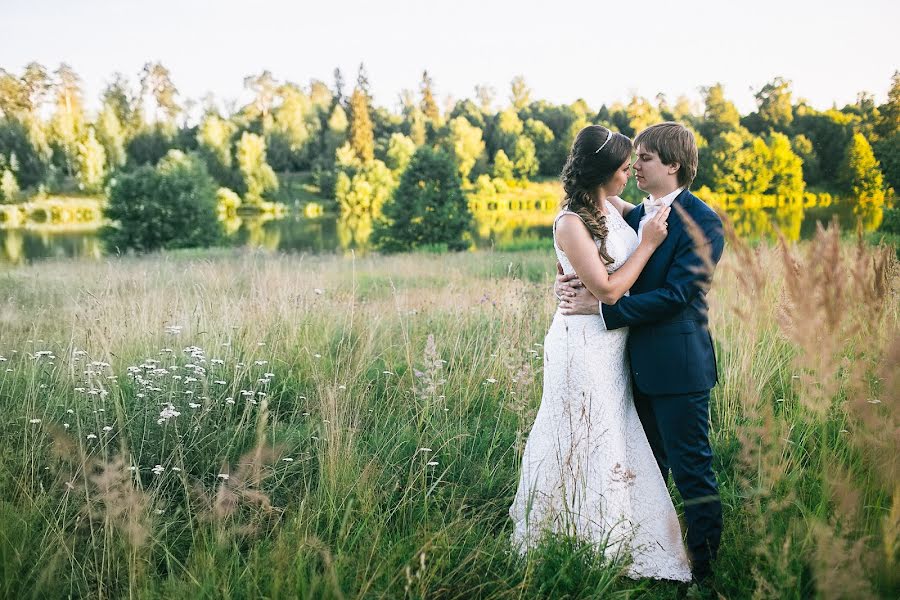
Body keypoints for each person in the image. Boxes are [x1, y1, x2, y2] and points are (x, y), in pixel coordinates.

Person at [509, 124, 692, 582]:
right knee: (579, 433)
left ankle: (615, 534)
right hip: (582, 346)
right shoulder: (570, 221)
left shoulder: (610, 206)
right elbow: (608, 290)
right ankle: (573, 536)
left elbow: (652, 211)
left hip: (612, 348)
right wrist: (648, 244)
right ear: (604, 172)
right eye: (626, 169)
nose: (631, 175)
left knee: (611, 431)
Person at [555, 122, 725, 583]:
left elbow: (677, 297)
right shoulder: (637, 215)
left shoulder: (703, 222)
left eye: (645, 159)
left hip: (679, 368)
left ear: (673, 164)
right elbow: (597, 240)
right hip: (631, 368)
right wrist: (568, 276)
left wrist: (604, 309)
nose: (635, 168)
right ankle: (654, 558)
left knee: (693, 472)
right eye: (633, 160)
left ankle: (706, 572)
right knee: (648, 469)